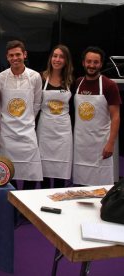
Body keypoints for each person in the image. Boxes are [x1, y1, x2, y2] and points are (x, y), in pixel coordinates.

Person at [0, 40, 43, 189]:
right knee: (9, 173)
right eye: (11, 55)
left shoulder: (35, 77)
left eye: (18, 54)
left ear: (24, 54)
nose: (15, 58)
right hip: (7, 134)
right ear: (7, 57)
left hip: (27, 133)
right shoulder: (0, 78)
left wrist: (27, 121)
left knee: (31, 172)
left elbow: (36, 104)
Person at [73, 46, 121, 186]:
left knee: (101, 188)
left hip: (100, 145)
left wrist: (111, 143)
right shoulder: (78, 82)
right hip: (80, 145)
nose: (92, 65)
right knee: (79, 188)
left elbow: (116, 116)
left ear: (101, 64)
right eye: (89, 62)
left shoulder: (109, 85)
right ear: (83, 62)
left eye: (95, 62)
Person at [37, 45, 74, 189]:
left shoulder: (71, 81)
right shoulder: (41, 78)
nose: (57, 59)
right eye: (55, 56)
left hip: (63, 132)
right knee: (44, 172)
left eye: (61, 57)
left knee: (60, 172)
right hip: (45, 130)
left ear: (66, 61)